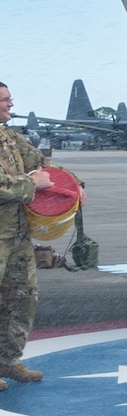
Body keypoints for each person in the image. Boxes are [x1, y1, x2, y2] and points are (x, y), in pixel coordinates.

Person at [0, 80, 57, 389]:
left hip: (17, 237)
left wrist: (73, 186)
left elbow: (40, 161)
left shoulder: (8, 136)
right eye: (5, 100)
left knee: (22, 298)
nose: (11, 104)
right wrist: (31, 184)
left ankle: (7, 361)